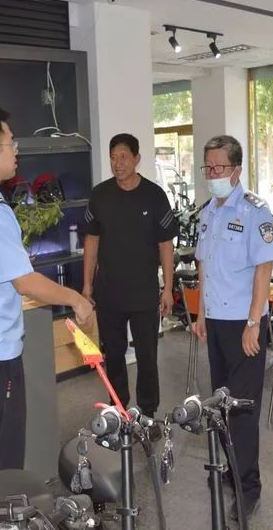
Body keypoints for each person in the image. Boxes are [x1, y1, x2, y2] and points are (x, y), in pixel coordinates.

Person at [0, 104, 93, 490]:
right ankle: (2, 516)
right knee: (2, 469)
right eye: (12, 143)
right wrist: (75, 297)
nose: (17, 151)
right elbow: (25, 282)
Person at [192, 135, 273, 518]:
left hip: (245, 325)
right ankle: (231, 468)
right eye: (208, 167)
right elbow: (204, 266)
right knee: (221, 404)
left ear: (237, 169)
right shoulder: (208, 212)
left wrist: (253, 323)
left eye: (219, 167)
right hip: (215, 323)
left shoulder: (256, 212)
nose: (212, 174)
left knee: (242, 411)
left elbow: (263, 270)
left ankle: (248, 489)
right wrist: (200, 314)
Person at [82, 133, 176, 430]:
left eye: (123, 157)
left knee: (147, 355)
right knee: (113, 355)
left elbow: (166, 245)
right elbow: (91, 242)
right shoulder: (100, 195)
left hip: (144, 293)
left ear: (136, 159)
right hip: (108, 292)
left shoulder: (154, 195)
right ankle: (118, 408)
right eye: (113, 157)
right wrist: (86, 285)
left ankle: (148, 412)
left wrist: (168, 288)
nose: (117, 163)